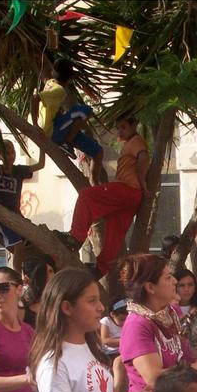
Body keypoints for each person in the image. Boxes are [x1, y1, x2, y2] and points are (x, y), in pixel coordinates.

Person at [116, 254, 196, 392]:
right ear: (150, 287)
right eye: (168, 278)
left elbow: (187, 354)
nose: (175, 282)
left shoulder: (171, 313)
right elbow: (154, 378)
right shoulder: (137, 324)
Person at [66, 115, 149, 276]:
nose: (120, 131)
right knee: (114, 233)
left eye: (124, 127)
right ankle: (100, 270)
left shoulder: (136, 142)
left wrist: (143, 182)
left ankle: (75, 237)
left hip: (127, 190)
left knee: (86, 196)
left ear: (134, 126)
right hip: (132, 197)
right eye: (118, 128)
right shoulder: (130, 143)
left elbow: (143, 157)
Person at [0, 140, 46, 274]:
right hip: (2, 215)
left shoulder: (19, 170)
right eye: (6, 153)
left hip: (16, 213)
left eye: (13, 152)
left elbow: (41, 165)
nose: (11, 155)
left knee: (28, 243)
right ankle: (17, 276)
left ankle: (27, 273)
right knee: (18, 245)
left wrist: (42, 143)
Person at [33, 58, 105, 184]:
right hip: (53, 131)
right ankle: (68, 142)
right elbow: (35, 98)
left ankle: (94, 182)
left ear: (53, 73)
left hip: (60, 128)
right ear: (70, 79)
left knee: (98, 152)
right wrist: (34, 125)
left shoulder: (49, 83)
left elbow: (45, 74)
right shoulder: (59, 91)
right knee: (85, 110)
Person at [20, 254, 55, 329]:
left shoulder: (63, 302)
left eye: (51, 271)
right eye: (41, 274)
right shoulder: (20, 309)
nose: (48, 277)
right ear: (26, 279)